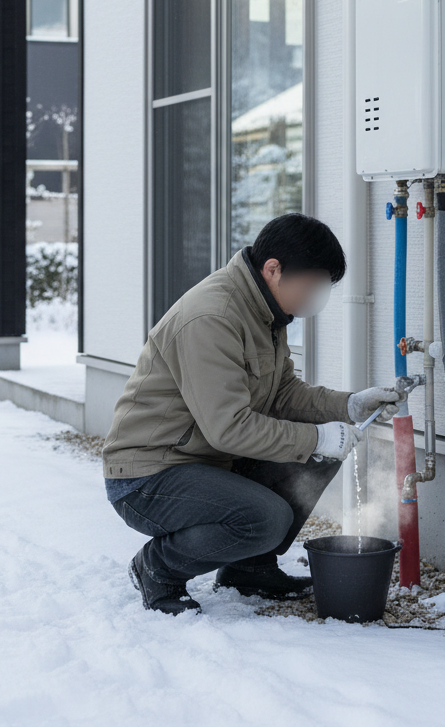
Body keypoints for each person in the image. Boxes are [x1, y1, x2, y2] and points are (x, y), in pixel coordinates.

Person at [102, 213, 406, 615]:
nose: (317, 296)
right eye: (313, 284)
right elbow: (228, 428)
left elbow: (282, 394)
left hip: (205, 459)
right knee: (266, 516)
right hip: (147, 474)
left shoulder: (264, 310)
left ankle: (248, 567)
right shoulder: (213, 317)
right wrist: (318, 437)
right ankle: (157, 568)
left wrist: (348, 405)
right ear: (273, 269)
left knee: (315, 455)